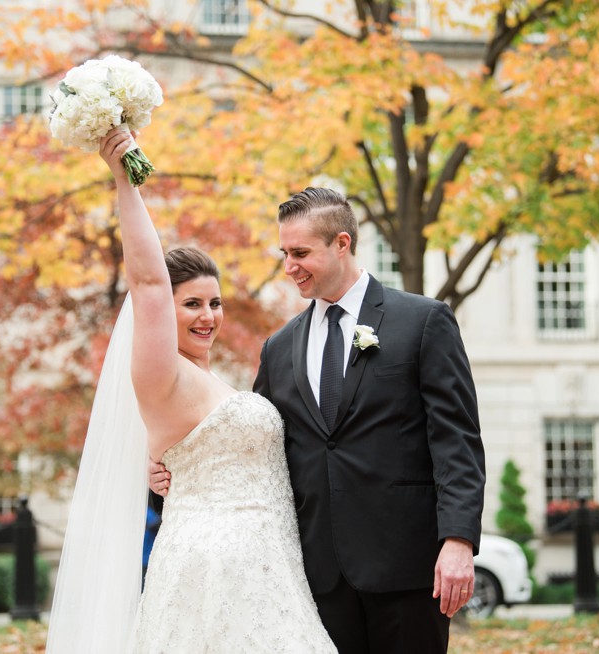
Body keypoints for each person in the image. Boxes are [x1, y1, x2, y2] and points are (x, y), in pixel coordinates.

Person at [153, 187, 486, 653]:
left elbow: (457, 441)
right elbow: (257, 448)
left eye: (301, 253)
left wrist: (458, 541)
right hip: (314, 579)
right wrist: (170, 466)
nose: (289, 266)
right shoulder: (280, 347)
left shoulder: (423, 322)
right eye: (285, 253)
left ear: (342, 244)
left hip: (407, 568)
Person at [45, 130, 336, 653]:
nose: (209, 317)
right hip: (211, 568)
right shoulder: (162, 379)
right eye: (193, 305)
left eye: (215, 303)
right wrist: (124, 180)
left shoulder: (213, 381)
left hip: (273, 568)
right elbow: (149, 285)